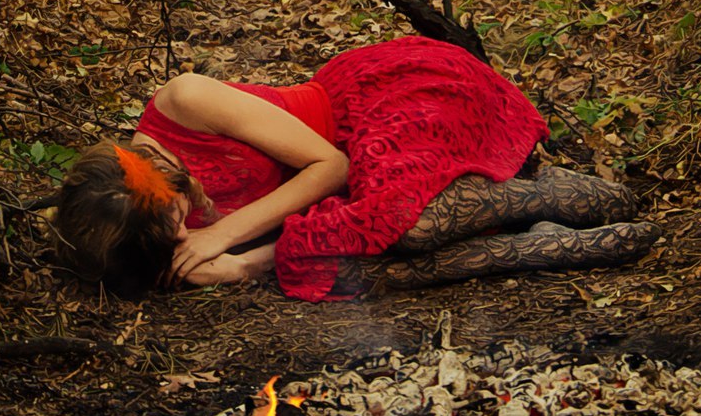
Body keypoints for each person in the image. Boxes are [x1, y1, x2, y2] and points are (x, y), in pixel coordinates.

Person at [55, 35, 656, 302]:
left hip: (383, 108)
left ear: (152, 178)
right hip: (363, 189)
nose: (185, 238)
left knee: (407, 228)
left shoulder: (185, 103)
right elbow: (301, 245)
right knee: (358, 257)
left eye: (176, 222)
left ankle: (538, 198)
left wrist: (225, 236)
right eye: (174, 241)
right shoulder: (147, 236)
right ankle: (543, 245)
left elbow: (332, 166)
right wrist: (238, 269)